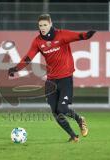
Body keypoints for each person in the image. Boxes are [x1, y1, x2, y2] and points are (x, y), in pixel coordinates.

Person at [8, 14, 96, 142]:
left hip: (65, 79)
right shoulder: (38, 41)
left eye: (45, 25)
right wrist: (16, 69)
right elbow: (28, 58)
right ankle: (73, 136)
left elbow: (78, 36)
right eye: (40, 25)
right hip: (51, 81)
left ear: (50, 24)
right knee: (55, 112)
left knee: (62, 109)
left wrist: (86, 35)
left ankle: (79, 119)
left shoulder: (62, 35)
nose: (42, 28)